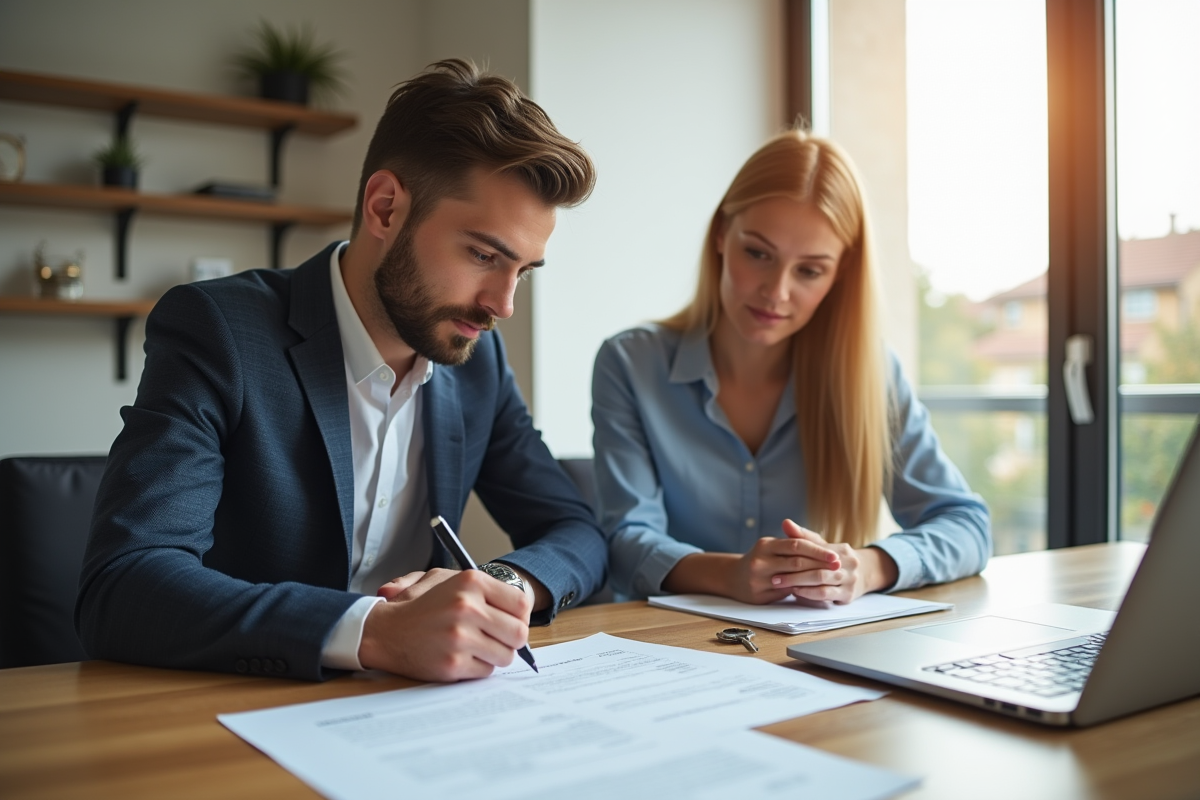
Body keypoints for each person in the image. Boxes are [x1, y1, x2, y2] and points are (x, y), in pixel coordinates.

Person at [77, 60, 606, 683]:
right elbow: (125, 584)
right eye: (484, 255)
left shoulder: (475, 359)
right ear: (385, 209)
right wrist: (373, 631)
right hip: (237, 710)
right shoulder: (218, 330)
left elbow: (576, 531)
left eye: (522, 270)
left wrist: (497, 582)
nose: (503, 304)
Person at [592, 130, 990, 604]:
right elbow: (624, 541)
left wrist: (863, 568)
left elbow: (967, 526)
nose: (776, 292)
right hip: (665, 647)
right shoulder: (631, 363)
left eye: (809, 270)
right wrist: (729, 575)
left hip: (812, 654)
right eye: (758, 254)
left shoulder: (871, 375)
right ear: (721, 235)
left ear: (840, 272)